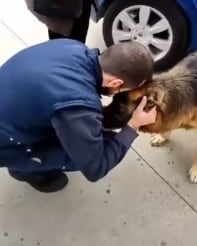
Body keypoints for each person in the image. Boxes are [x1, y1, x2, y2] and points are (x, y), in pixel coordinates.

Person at [0, 40, 156, 193]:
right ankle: (25, 169)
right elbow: (96, 169)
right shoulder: (77, 107)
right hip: (6, 144)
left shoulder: (72, 46)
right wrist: (134, 125)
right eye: (124, 90)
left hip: (11, 108)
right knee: (104, 144)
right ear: (116, 83)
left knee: (89, 134)